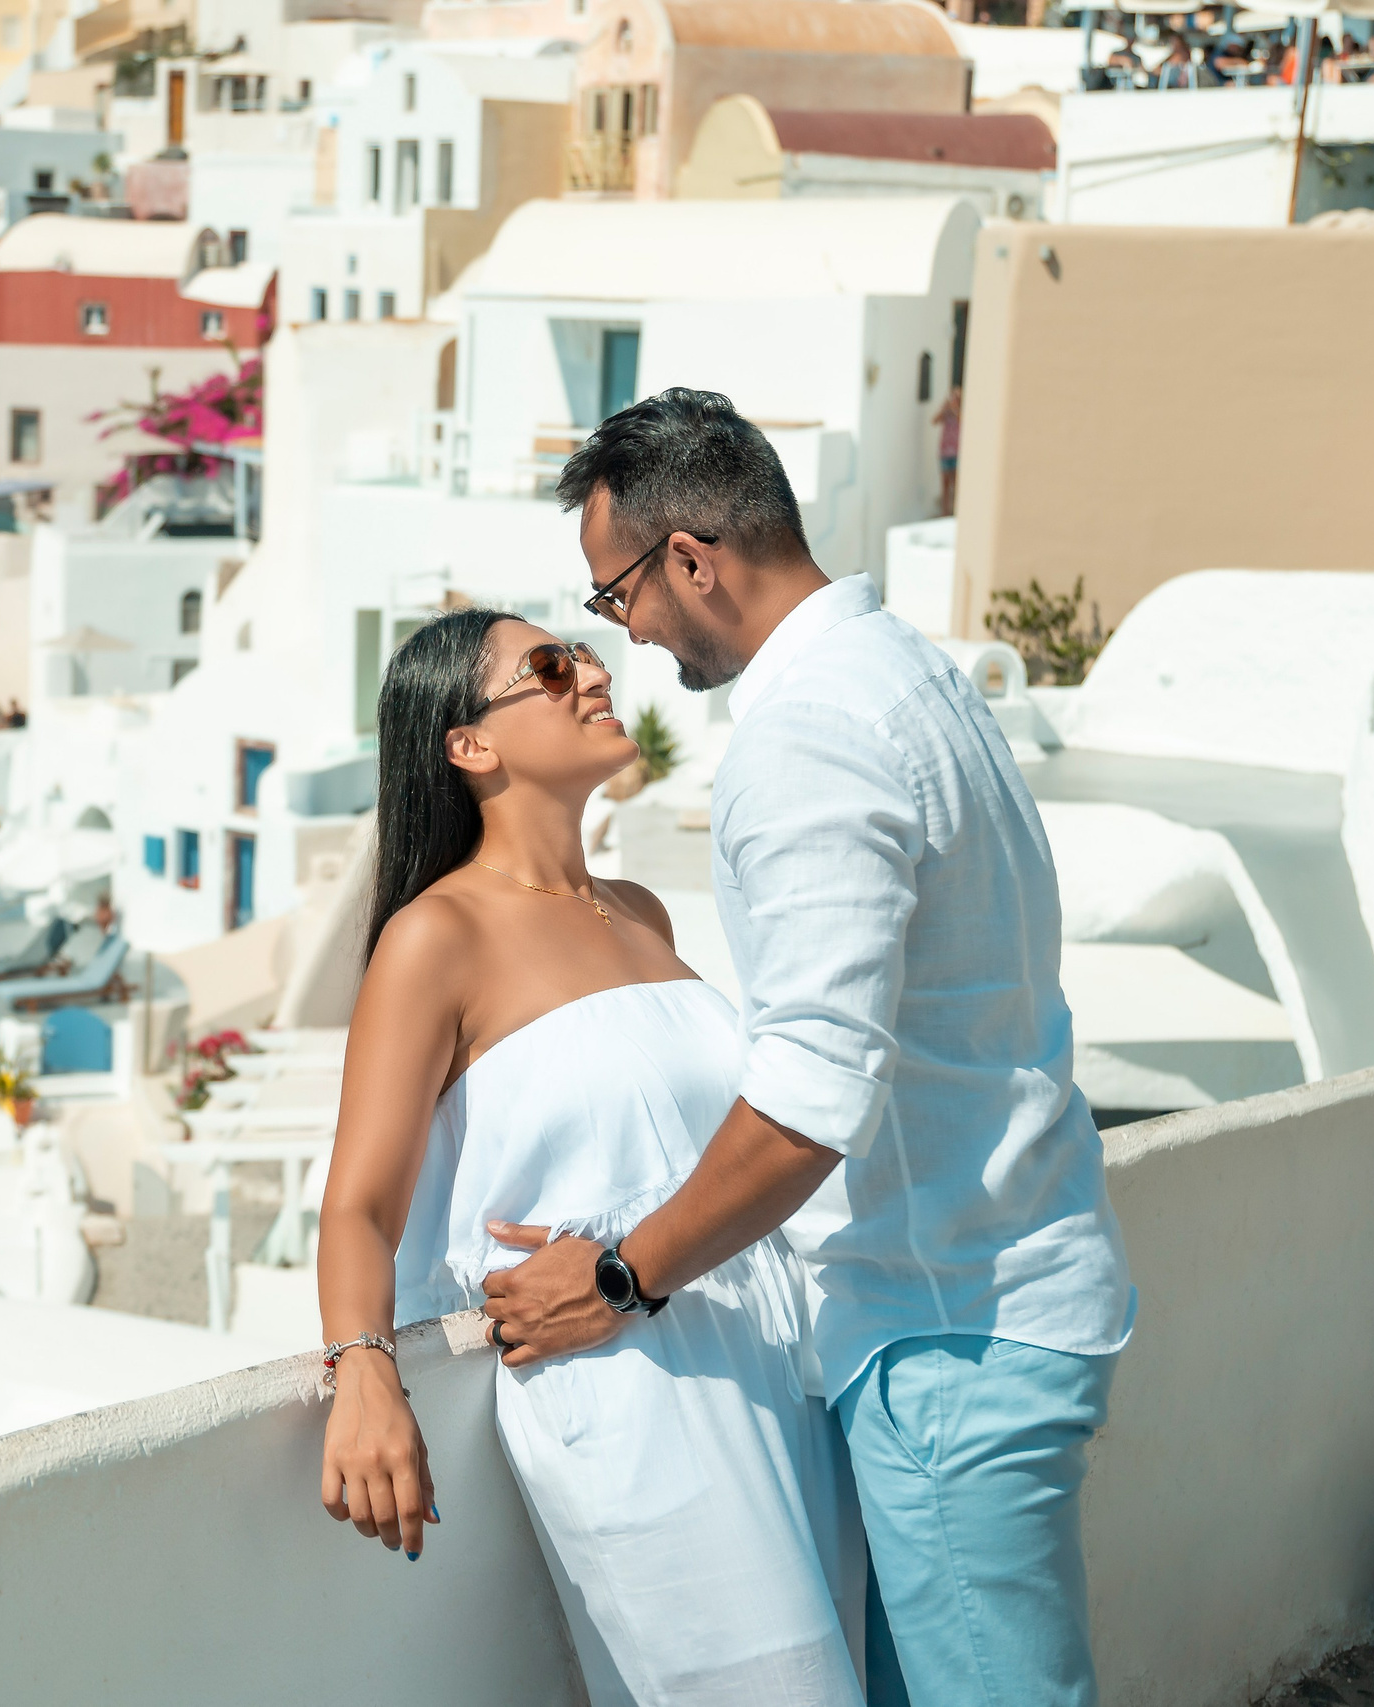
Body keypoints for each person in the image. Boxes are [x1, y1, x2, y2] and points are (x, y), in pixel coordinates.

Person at [486, 389, 1135, 1707]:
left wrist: (613, 1277)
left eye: (618, 595)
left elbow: (803, 1103)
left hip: (949, 1329)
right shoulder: (904, 668)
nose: (628, 634)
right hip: (989, 1291)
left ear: (692, 560)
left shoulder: (806, 737)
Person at [316, 611, 866, 1705]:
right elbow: (358, 1207)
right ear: (469, 745)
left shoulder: (641, 910)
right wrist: (362, 1369)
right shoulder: (437, 936)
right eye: (549, 667)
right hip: (624, 1394)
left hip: (762, 1356)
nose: (590, 674)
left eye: (584, 652)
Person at [931, 384, 963, 517]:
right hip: (945, 452)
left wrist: (954, 409)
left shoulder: (960, 411)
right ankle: (945, 512)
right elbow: (934, 421)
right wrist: (944, 409)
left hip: (956, 452)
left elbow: (962, 421)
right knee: (945, 484)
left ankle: (956, 511)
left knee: (956, 484)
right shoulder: (946, 411)